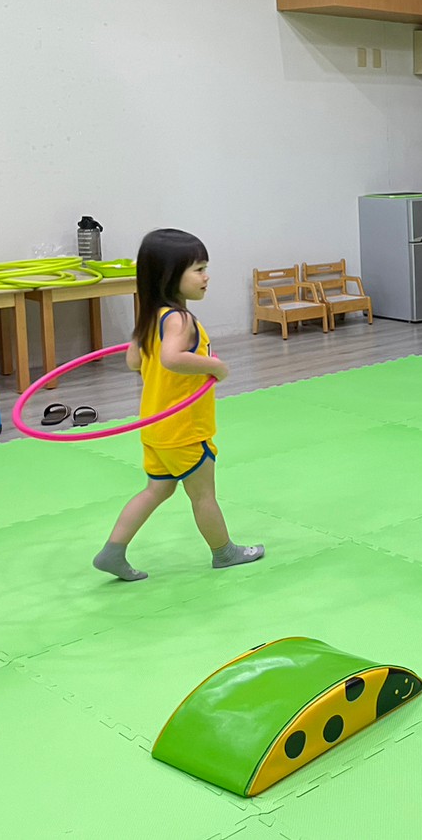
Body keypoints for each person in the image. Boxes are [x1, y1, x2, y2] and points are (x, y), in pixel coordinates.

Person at [91, 229, 263, 582]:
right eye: (198, 269)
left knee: (157, 489)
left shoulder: (150, 316)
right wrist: (214, 366)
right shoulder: (181, 320)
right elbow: (171, 358)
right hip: (185, 429)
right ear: (170, 277)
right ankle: (224, 552)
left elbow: (132, 362)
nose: (206, 277)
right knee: (203, 496)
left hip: (155, 427)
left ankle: (113, 551)